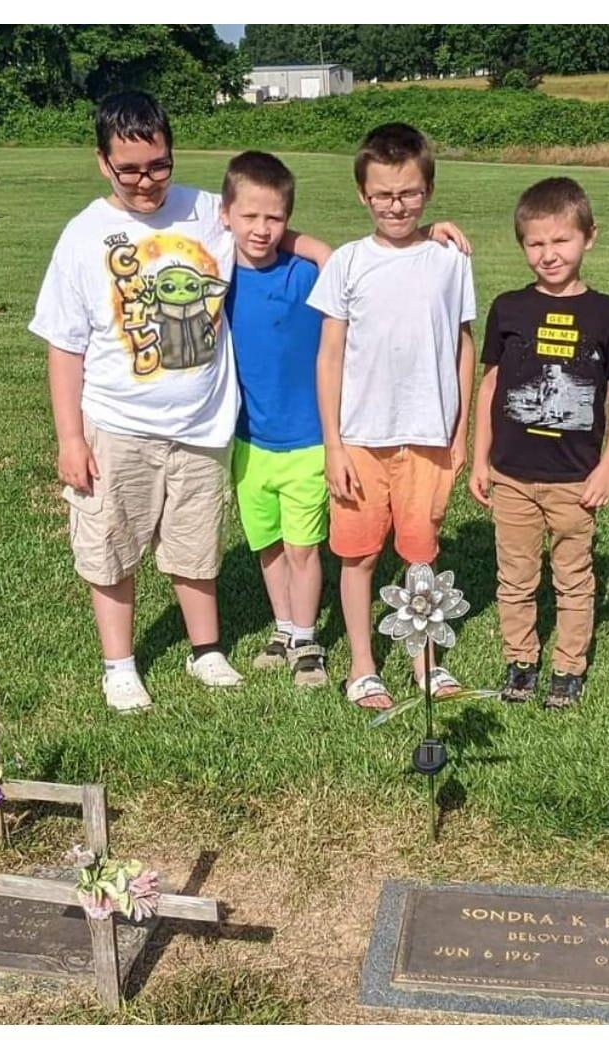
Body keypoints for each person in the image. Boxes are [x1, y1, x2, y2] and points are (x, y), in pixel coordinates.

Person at [29, 90, 328, 713]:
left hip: (202, 424)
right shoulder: (83, 235)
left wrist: (329, 251)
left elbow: (264, 221)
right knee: (113, 545)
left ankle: (206, 649)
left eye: (158, 165)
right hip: (118, 423)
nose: (147, 181)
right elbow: (64, 345)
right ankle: (119, 664)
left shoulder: (205, 210)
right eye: (130, 170)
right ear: (103, 162)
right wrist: (70, 439)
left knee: (195, 544)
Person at [308, 123, 477, 711]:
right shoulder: (347, 263)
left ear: (428, 190)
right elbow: (330, 356)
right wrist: (333, 444)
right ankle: (362, 666)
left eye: (408, 193)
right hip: (359, 439)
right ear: (363, 194)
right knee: (357, 555)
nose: (396, 205)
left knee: (421, 555)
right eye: (383, 194)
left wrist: (460, 431)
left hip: (428, 436)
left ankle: (424, 660)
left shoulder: (451, 259)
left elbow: (462, 346)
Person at [469, 176, 609, 710]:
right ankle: (520, 660)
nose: (549, 254)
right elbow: (490, 386)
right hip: (512, 475)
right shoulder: (508, 308)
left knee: (573, 578)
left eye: (561, 240)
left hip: (575, 480)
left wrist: (608, 467)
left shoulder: (608, 314)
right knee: (515, 578)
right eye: (535, 243)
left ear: (589, 237)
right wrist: (479, 459)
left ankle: (568, 667)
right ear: (522, 246)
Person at [222, 151, 330, 686]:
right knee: (267, 544)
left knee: (302, 546)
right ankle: (284, 627)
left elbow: (346, 263)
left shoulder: (307, 274)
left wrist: (308, 245)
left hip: (308, 440)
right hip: (249, 442)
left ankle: (307, 640)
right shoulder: (215, 276)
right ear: (226, 215)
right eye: (249, 216)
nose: (261, 229)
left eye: (275, 218)